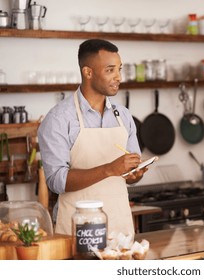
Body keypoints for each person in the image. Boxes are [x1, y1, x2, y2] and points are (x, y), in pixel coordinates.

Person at [38, 39, 147, 236]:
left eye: (119, 69)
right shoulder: (58, 119)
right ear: (88, 72)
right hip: (78, 228)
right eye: (110, 70)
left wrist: (135, 174)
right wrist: (108, 169)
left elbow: (129, 173)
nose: (118, 77)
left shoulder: (123, 116)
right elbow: (56, 181)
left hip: (119, 225)